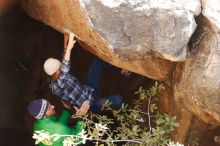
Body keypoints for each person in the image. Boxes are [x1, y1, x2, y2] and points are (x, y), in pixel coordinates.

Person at [43, 33, 123, 115]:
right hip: (91, 104)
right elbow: (65, 65)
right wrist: (69, 48)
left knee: (97, 61)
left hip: (88, 89)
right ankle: (119, 114)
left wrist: (65, 40)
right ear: (56, 71)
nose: (61, 67)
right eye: (59, 67)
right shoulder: (58, 85)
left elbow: (64, 59)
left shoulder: (54, 77)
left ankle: (121, 67)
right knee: (118, 100)